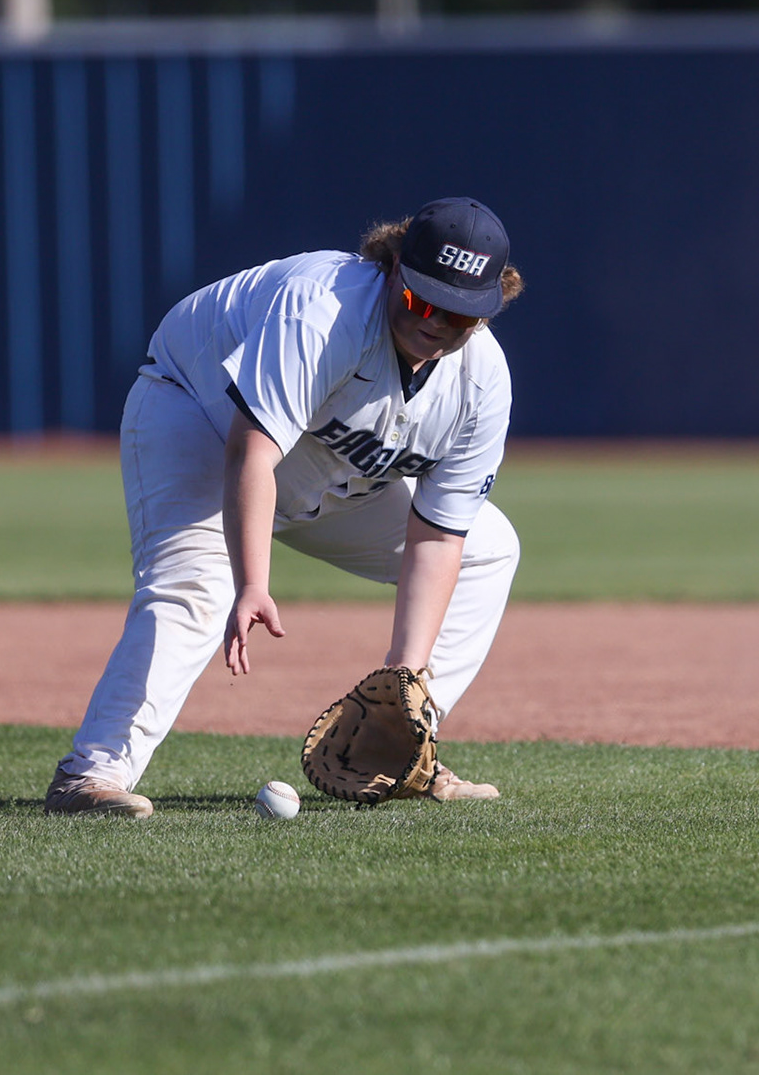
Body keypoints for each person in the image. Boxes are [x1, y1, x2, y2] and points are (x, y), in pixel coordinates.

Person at [45, 197, 524, 818]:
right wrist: (251, 583)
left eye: (457, 313)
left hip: (332, 473)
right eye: (421, 299)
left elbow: (438, 536)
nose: (434, 322)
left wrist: (403, 681)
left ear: (485, 313)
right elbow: (252, 450)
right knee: (196, 588)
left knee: (489, 547)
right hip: (199, 417)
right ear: (393, 270)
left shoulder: (482, 382)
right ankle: (92, 773)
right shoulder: (325, 310)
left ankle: (400, 751)